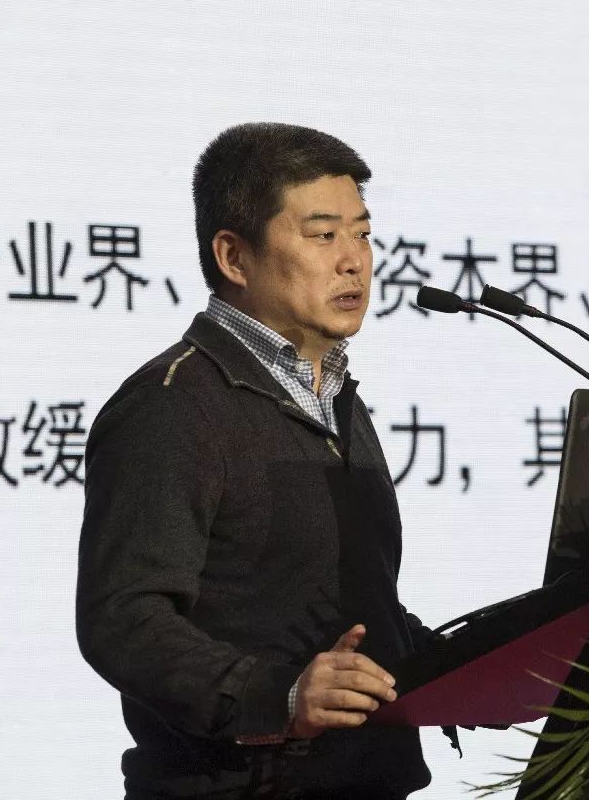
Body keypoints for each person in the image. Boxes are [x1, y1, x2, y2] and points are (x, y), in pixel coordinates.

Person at [77, 123, 433, 799]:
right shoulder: (172, 404)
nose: (355, 261)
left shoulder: (336, 398)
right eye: (323, 235)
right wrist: (279, 696)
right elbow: (123, 617)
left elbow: (331, 604)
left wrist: (454, 666)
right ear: (234, 257)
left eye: (363, 234)